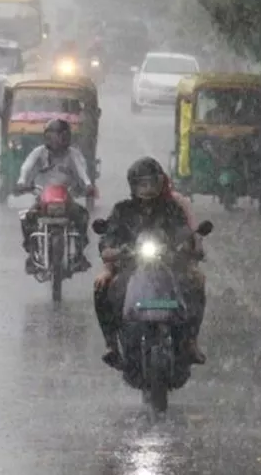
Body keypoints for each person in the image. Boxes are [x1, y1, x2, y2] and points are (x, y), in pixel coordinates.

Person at [93, 157, 208, 368]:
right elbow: (109, 237)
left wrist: (190, 246)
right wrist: (111, 252)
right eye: (142, 183)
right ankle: (111, 345)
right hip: (131, 266)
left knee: (195, 284)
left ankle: (191, 341)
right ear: (133, 185)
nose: (147, 189)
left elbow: (184, 232)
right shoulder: (122, 210)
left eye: (152, 183)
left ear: (161, 183)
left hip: (170, 265)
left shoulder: (172, 208)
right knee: (102, 286)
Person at [14, 118, 96, 273]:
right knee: (27, 219)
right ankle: (32, 254)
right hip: (43, 197)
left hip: (67, 197)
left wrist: (87, 185)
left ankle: (79, 254)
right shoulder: (38, 153)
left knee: (82, 216)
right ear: (46, 137)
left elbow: (82, 170)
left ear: (67, 137)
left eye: (61, 136)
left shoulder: (73, 154)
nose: (57, 141)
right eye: (53, 136)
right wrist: (22, 181)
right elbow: (26, 166)